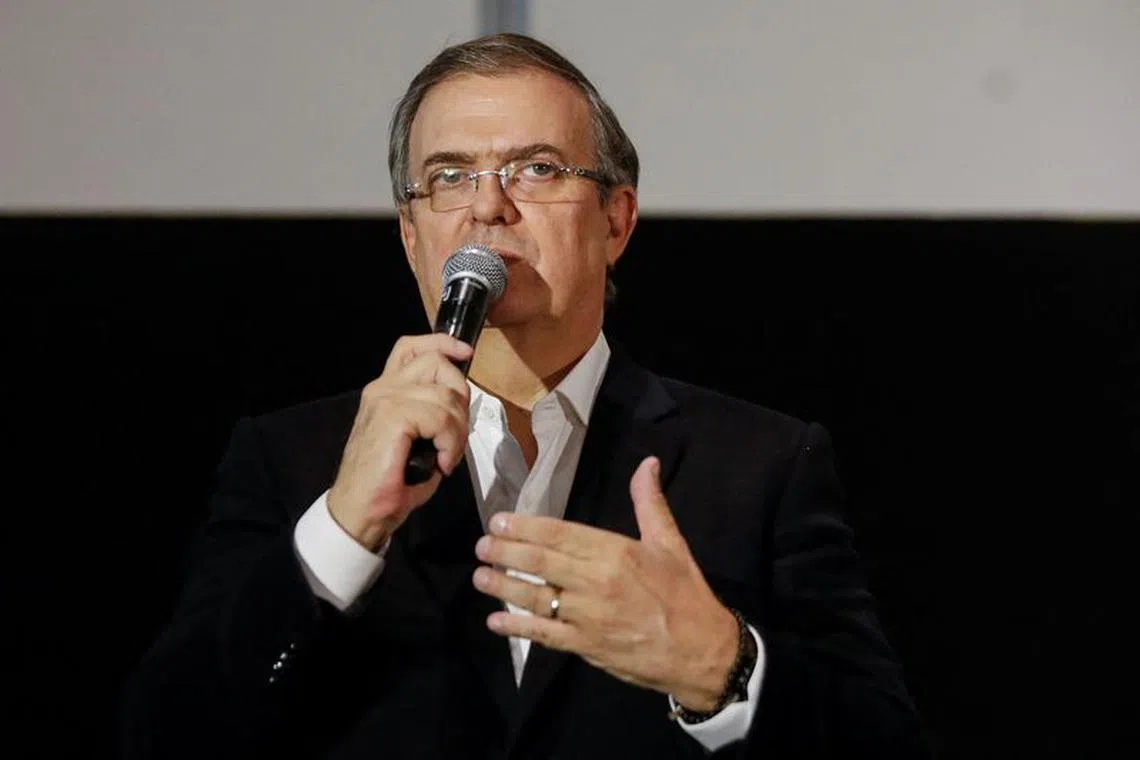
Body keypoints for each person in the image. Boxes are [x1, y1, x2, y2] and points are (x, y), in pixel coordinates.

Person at [120, 33, 929, 759]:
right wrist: (341, 531)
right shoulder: (294, 460)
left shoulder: (759, 464)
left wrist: (719, 664)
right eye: (449, 176)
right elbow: (164, 734)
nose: (487, 205)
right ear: (411, 236)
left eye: (536, 168)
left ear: (616, 222)